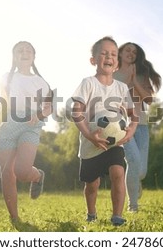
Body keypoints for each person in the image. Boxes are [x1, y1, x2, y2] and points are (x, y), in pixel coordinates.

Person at [71, 36, 138, 226]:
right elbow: (77, 111)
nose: (109, 56)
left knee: (118, 172)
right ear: (93, 60)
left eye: (114, 54)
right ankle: (91, 213)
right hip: (91, 143)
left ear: (117, 63)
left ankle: (117, 216)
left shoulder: (122, 88)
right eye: (104, 53)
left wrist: (131, 130)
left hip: (114, 142)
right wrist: (88, 135)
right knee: (92, 185)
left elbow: (134, 114)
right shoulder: (88, 83)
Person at [0, 41, 52, 223]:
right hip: (9, 123)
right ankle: (15, 218)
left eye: (28, 50)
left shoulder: (41, 82)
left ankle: (37, 175)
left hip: (31, 123)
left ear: (34, 57)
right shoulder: (6, 78)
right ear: (14, 56)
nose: (24, 52)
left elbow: (49, 107)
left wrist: (40, 113)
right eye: (20, 50)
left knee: (21, 171)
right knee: (7, 174)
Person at [113, 42, 161, 212]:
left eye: (134, 52)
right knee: (133, 162)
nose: (131, 53)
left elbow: (149, 100)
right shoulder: (112, 74)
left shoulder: (141, 74)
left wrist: (135, 81)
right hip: (121, 125)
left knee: (141, 171)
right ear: (120, 53)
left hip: (140, 125)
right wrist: (126, 81)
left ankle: (136, 182)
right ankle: (132, 206)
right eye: (127, 50)